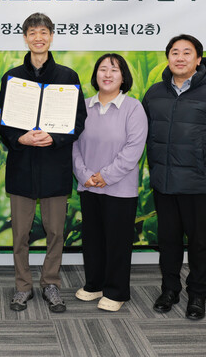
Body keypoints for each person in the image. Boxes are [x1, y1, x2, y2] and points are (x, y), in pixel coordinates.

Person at [142, 34, 206, 320]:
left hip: (198, 183)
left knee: (199, 242)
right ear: (167, 58)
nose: (180, 57)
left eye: (187, 52)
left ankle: (198, 294)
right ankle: (169, 290)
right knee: (168, 241)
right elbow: (144, 133)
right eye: (175, 52)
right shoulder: (155, 93)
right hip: (164, 182)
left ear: (198, 59)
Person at [0, 12, 87, 313]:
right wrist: (19, 138)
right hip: (22, 166)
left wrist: (55, 138)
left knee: (56, 233)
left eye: (44, 32)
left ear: (51, 36)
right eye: (33, 33)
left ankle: (51, 283)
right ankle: (22, 286)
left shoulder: (67, 77)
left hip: (54, 166)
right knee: (20, 235)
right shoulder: (12, 77)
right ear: (25, 38)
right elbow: (1, 121)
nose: (38, 38)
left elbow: (78, 120)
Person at [72, 53, 148, 312]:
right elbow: (73, 145)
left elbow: (134, 149)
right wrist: (84, 174)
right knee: (92, 240)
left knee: (117, 241)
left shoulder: (133, 108)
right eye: (103, 69)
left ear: (123, 77)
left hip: (120, 188)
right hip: (88, 185)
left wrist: (105, 176)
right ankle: (94, 285)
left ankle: (116, 291)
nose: (107, 74)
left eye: (114, 70)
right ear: (95, 75)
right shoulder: (84, 106)